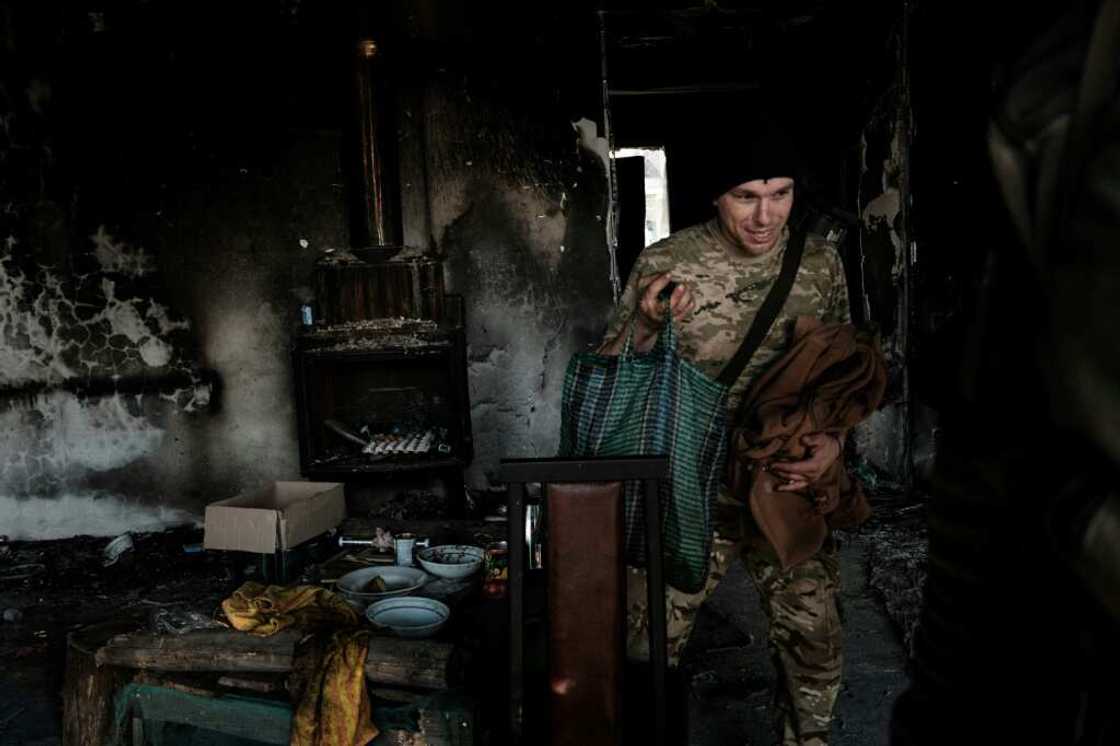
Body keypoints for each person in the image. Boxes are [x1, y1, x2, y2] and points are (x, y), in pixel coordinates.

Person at [599, 123, 853, 746]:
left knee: (815, 643)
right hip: (691, 490)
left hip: (786, 480)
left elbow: (844, 371)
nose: (766, 216)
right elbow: (611, 379)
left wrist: (834, 445)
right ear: (716, 196)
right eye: (746, 196)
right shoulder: (665, 263)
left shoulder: (820, 263)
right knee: (646, 643)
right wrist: (648, 327)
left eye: (781, 193)